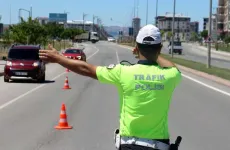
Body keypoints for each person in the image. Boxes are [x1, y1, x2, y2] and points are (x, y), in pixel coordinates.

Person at [39, 24, 182, 150]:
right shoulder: (170, 76)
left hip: (129, 145)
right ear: (160, 48)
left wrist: (59, 58)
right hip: (159, 145)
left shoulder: (123, 72)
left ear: (136, 47)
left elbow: (86, 69)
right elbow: (172, 67)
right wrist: (154, 54)